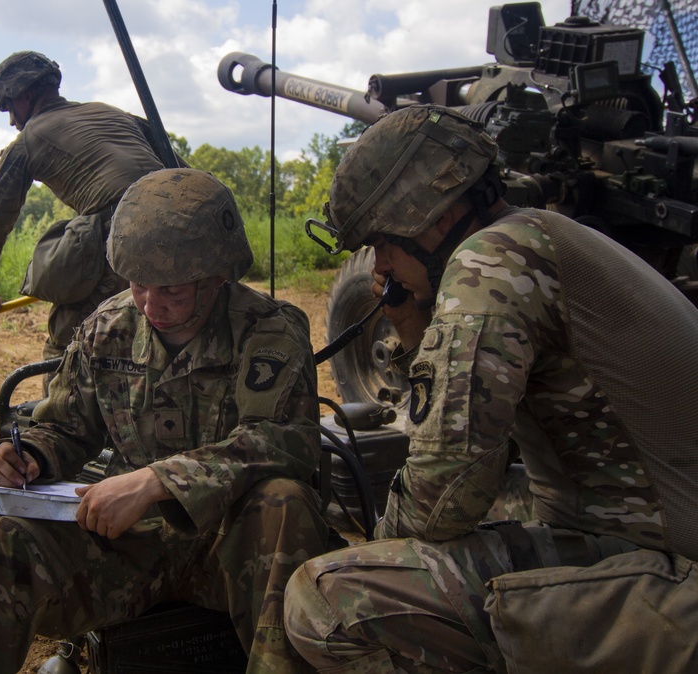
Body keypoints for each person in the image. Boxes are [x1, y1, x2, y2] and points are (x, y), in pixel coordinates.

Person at [285, 104, 698, 673]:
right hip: (639, 533)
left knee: (325, 601)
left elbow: (439, 500)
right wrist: (411, 327)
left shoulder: (491, 262)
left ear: (428, 215)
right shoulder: (537, 235)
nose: (377, 264)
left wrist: (381, 550)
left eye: (382, 241)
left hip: (671, 573)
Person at [0, 168, 330, 674]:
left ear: (217, 278)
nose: (150, 306)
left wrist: (157, 481)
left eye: (173, 293)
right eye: (138, 286)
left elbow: (284, 441)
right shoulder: (108, 327)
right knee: (4, 542)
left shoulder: (269, 330)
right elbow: (68, 426)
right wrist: (30, 453)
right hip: (131, 549)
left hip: (231, 548)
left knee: (284, 503)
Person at [0, 50, 179, 366]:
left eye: (10, 108)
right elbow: (186, 173)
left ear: (25, 95)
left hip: (123, 227)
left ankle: (60, 414)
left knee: (68, 346)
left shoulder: (27, 141)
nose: (12, 120)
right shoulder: (112, 113)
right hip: (181, 223)